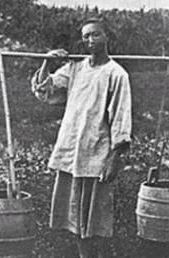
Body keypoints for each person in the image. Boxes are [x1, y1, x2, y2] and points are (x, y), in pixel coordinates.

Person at [31, 18, 132, 258]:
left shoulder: (116, 74)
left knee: (95, 218)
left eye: (95, 34)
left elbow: (121, 116)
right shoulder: (75, 69)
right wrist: (47, 62)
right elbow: (45, 88)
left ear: (106, 37)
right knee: (75, 217)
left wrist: (114, 157)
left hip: (96, 152)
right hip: (72, 149)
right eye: (86, 36)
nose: (90, 40)